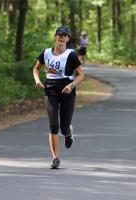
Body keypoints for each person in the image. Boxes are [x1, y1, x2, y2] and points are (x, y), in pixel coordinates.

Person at [32, 26, 85, 169]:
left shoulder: (71, 55)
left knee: (64, 127)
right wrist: (37, 80)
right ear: (56, 37)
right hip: (51, 91)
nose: (62, 38)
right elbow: (36, 68)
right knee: (53, 125)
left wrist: (71, 86)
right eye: (59, 35)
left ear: (68, 39)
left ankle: (68, 133)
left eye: (65, 35)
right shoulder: (46, 53)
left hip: (67, 91)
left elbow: (81, 75)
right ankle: (55, 158)